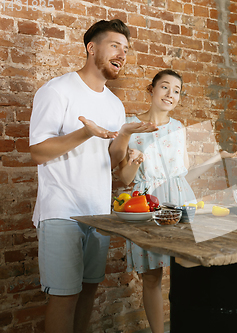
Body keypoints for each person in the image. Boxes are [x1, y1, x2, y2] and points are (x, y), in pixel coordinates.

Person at [29, 19, 157, 333]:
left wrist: (125, 132)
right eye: (115, 45)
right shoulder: (57, 90)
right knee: (65, 297)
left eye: (126, 49)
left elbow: (113, 162)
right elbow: (38, 152)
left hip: (99, 214)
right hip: (62, 213)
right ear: (91, 48)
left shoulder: (114, 104)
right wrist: (84, 132)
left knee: (88, 293)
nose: (122, 54)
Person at [117, 69, 237, 333]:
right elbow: (125, 179)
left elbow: (184, 175)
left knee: (190, 270)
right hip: (148, 204)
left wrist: (217, 158)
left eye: (176, 91)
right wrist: (134, 161)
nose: (170, 94)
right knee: (151, 276)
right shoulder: (131, 126)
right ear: (151, 90)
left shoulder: (177, 128)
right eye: (165, 87)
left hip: (180, 202)